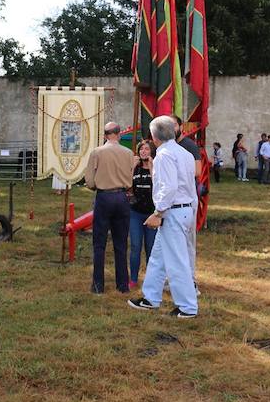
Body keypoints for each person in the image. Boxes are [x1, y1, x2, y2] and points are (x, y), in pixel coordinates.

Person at [127, 116, 198, 318]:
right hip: (181, 210)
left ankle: (187, 307)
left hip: (172, 211)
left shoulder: (164, 155)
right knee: (158, 258)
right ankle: (150, 298)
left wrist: (158, 212)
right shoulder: (183, 152)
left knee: (176, 261)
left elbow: (169, 188)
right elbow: (189, 185)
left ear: (154, 135)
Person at [84, 122, 136, 294]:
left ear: (105, 135)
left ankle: (98, 286)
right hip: (122, 197)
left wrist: (96, 186)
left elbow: (90, 180)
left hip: (104, 196)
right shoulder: (128, 153)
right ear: (119, 134)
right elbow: (131, 176)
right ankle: (122, 285)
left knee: (99, 243)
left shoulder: (97, 152)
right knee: (121, 243)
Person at [129, 140, 157, 289]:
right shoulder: (136, 169)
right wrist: (132, 167)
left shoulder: (156, 167)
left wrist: (152, 167)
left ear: (152, 151)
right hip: (135, 213)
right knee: (135, 246)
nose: (143, 152)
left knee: (151, 247)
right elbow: (127, 185)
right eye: (141, 149)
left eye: (147, 149)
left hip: (151, 213)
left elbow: (158, 187)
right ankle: (133, 278)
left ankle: (151, 279)